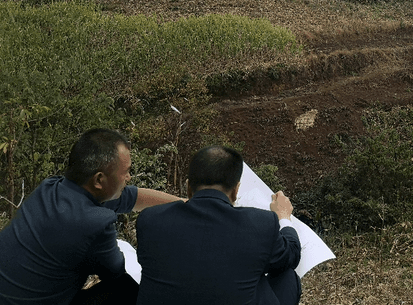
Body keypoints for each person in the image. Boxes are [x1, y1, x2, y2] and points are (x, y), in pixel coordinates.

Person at [0, 128, 183, 305]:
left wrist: (186, 203)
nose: (129, 177)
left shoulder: (50, 188)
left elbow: (131, 197)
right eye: (125, 171)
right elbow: (115, 274)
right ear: (98, 180)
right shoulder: (94, 223)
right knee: (125, 290)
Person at [135, 145, 302, 305]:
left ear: (188, 188)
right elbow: (292, 255)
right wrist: (283, 216)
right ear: (236, 191)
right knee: (287, 275)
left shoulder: (150, 219)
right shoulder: (261, 223)